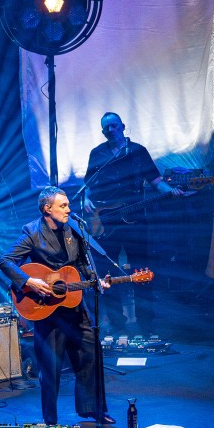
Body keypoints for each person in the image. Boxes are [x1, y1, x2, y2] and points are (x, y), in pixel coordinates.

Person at [0, 186, 112, 426]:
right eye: (63, 206)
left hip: (75, 303)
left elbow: (83, 262)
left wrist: (95, 280)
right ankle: (50, 420)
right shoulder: (32, 232)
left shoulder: (75, 228)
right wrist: (29, 281)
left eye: (68, 204)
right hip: (47, 309)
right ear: (46, 209)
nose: (69, 209)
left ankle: (94, 410)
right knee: (51, 368)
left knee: (91, 354)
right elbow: (6, 261)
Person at [83, 112, 182, 333]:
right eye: (106, 127)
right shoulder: (97, 153)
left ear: (123, 126)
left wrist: (171, 191)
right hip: (106, 221)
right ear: (102, 131)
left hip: (136, 221)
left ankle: (145, 323)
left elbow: (156, 182)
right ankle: (117, 324)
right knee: (106, 271)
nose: (110, 130)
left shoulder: (138, 151)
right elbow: (88, 183)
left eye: (114, 126)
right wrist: (87, 198)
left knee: (142, 270)